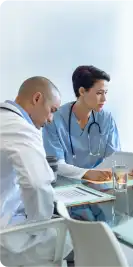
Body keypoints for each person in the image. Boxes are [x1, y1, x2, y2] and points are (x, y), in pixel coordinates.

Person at [0, 76, 72, 265]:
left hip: (7, 213)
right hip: (3, 231)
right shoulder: (19, 127)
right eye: (52, 111)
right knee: (71, 237)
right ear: (37, 98)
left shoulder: (4, 119)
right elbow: (37, 184)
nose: (50, 119)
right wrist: (39, 227)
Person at [42, 65, 133, 181]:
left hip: (101, 185)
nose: (104, 99)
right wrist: (86, 173)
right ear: (82, 91)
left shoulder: (106, 118)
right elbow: (56, 164)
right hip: (66, 186)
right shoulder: (54, 118)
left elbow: (114, 159)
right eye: (99, 93)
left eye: (106, 92)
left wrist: (130, 170)